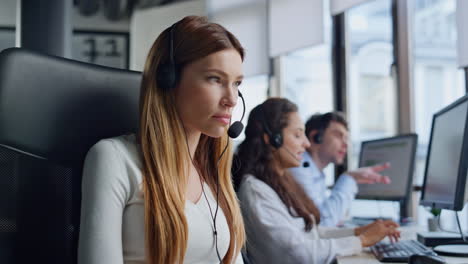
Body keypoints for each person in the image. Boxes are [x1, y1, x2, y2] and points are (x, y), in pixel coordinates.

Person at [78, 16, 246, 264]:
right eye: (215, 79)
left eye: (237, 83)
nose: (232, 99)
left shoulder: (213, 173)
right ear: (168, 79)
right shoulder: (114, 159)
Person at [233, 98, 399, 264]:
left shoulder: (277, 183)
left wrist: (357, 232)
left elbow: (310, 234)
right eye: (298, 135)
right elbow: (299, 254)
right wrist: (361, 240)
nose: (306, 143)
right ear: (272, 139)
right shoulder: (257, 191)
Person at [289, 112, 391, 227]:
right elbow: (322, 222)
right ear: (315, 138)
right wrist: (349, 178)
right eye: (338, 135)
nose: (345, 144)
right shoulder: (298, 168)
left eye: (346, 138)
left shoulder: (316, 173)